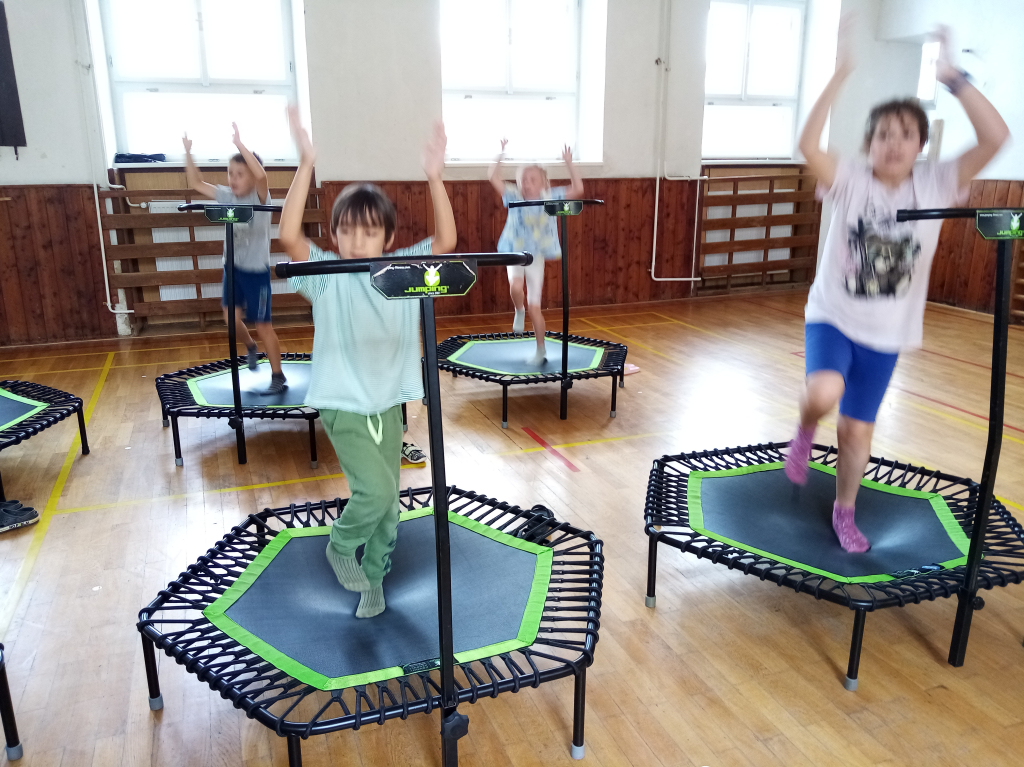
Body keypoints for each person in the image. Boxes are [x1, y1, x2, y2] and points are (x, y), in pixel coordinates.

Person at [785, 21, 1009, 553]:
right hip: (834, 315)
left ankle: (844, 510)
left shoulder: (935, 183)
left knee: (856, 431)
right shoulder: (850, 179)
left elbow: (997, 138)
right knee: (824, 392)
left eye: (906, 135)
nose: (893, 143)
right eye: (883, 134)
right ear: (869, 143)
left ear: (920, 145)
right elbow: (807, 144)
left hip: (886, 334)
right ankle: (804, 429)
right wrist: (840, 74)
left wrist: (952, 78)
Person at [279, 106, 456, 618]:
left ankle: (373, 580)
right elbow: (289, 238)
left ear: (388, 239)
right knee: (374, 494)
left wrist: (435, 176)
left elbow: (446, 242)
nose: (357, 241)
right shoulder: (326, 275)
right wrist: (305, 163)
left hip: (387, 404)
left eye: (370, 232)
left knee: (389, 507)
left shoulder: (402, 272)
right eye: (347, 231)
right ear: (335, 235)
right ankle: (340, 545)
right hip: (343, 403)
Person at [184, 124, 286, 394]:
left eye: (240, 174)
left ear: (251, 177)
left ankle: (278, 375)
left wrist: (240, 144)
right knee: (230, 319)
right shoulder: (227, 196)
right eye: (230, 173)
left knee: (263, 324)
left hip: (256, 273)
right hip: (232, 270)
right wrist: (188, 153)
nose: (233, 178)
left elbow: (262, 175)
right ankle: (250, 347)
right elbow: (196, 183)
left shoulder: (260, 196)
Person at [489, 140, 583, 366]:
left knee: (535, 306)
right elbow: (492, 177)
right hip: (514, 250)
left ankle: (540, 349)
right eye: (523, 180)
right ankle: (518, 309)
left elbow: (578, 189)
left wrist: (569, 164)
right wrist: (500, 155)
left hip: (536, 255)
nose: (527, 184)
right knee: (515, 287)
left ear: (543, 183)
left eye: (532, 180)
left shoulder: (551, 196)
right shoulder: (513, 194)